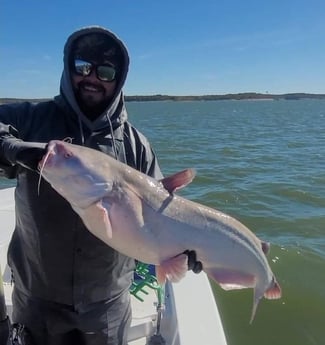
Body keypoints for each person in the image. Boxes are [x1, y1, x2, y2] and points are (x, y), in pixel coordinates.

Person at [0, 26, 201, 345]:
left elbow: (162, 210)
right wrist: (13, 149)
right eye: (82, 67)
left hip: (107, 303)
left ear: (118, 80)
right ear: (68, 68)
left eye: (106, 72)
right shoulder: (31, 120)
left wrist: (187, 247)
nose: (92, 78)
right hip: (37, 296)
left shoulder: (137, 146)